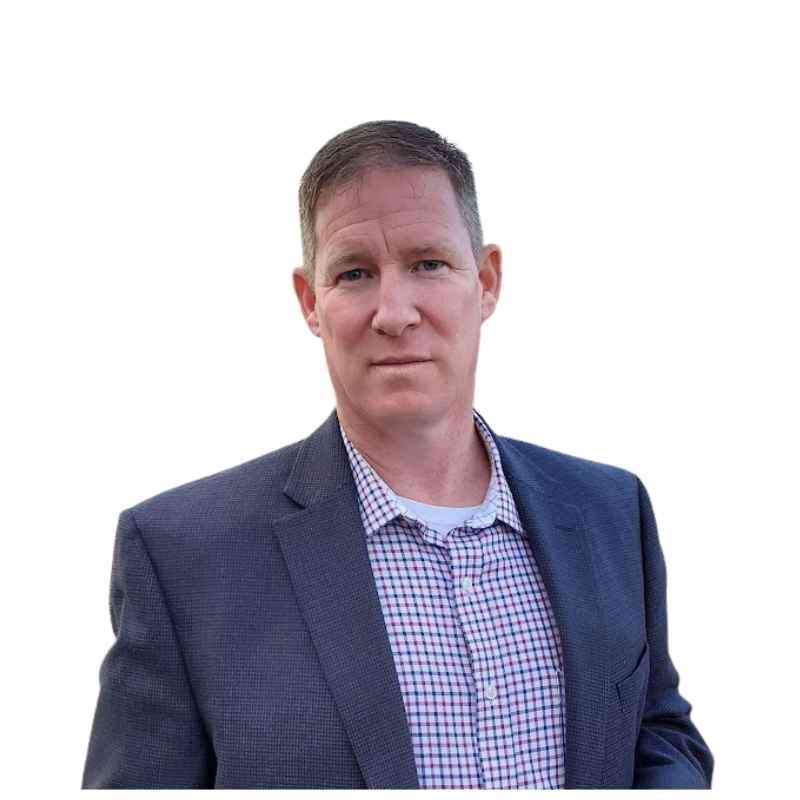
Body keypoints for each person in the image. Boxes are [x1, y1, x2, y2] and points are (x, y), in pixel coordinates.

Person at [82, 119, 715, 792]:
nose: (394, 311)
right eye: (354, 273)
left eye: (428, 264)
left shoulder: (610, 511)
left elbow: (657, 734)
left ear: (488, 281)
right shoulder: (183, 552)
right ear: (308, 302)